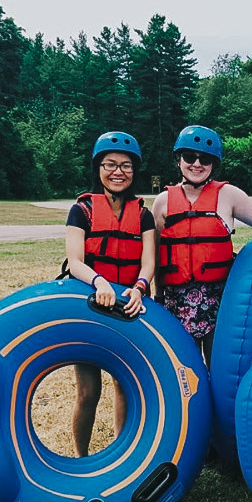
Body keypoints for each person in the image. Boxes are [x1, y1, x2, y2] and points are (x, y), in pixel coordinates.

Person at [152, 125, 252, 366]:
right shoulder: (162, 202)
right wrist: (157, 295)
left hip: (220, 301)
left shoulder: (230, 195)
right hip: (176, 301)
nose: (197, 164)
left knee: (220, 368)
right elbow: (156, 255)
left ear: (213, 164)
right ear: (179, 160)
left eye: (205, 159)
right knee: (186, 369)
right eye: (190, 157)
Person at [65, 131, 155, 457]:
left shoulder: (143, 214)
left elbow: (148, 263)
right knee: (88, 392)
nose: (118, 172)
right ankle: (81, 458)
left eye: (126, 166)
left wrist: (140, 288)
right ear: (98, 168)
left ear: (134, 170)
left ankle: (121, 455)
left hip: (126, 308)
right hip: (90, 306)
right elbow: (75, 260)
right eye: (110, 164)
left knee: (124, 385)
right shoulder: (82, 210)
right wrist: (100, 282)